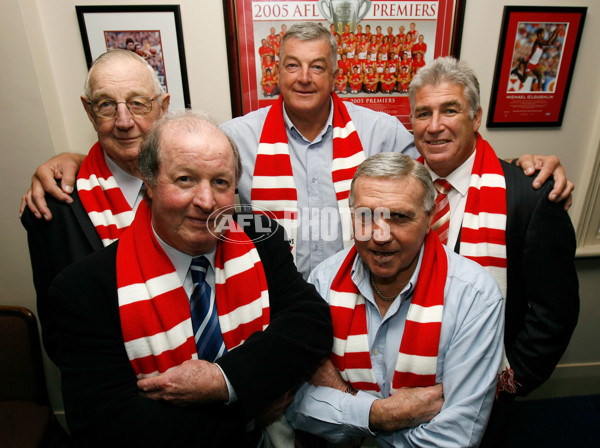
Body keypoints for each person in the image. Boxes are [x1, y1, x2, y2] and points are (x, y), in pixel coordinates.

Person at [20, 22, 573, 280]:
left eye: (318, 66)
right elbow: (175, 166)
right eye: (291, 65)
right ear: (274, 71)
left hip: (365, 295)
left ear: (338, 71)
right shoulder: (235, 137)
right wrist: (70, 156)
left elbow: (447, 156)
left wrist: (522, 164)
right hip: (270, 301)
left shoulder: (380, 131)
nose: (304, 77)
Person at [44, 110, 333, 446]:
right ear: (149, 183)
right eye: (185, 179)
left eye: (221, 182)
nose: (206, 201)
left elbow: (310, 324)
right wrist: (247, 412)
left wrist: (223, 380)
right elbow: (108, 426)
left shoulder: (260, 238)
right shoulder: (84, 289)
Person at [408, 56, 579, 447]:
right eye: (423, 113)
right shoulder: (399, 188)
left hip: (488, 385)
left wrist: (511, 379)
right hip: (403, 380)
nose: (434, 126)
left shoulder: (532, 196)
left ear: (476, 117)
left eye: (449, 110)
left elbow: (555, 312)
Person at [287, 152, 505, 447]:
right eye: (366, 216)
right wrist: (382, 415)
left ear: (430, 219)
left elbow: (454, 437)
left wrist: (344, 397)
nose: (380, 235)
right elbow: (295, 406)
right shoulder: (323, 282)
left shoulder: (474, 297)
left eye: (399, 217)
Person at [21, 49, 170, 347]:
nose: (124, 121)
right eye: (106, 105)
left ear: (163, 107)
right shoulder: (53, 209)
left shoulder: (197, 184)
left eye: (138, 103)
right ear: (89, 112)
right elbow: (59, 330)